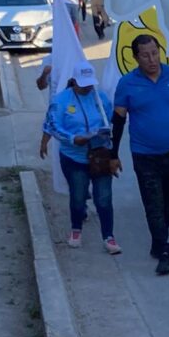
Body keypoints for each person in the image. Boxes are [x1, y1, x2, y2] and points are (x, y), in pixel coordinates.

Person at [111, 34, 169, 275]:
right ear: (136, 58)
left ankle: (158, 242)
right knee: (153, 204)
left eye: (155, 53)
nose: (152, 60)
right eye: (145, 56)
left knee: (168, 204)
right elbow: (118, 120)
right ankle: (165, 251)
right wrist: (113, 154)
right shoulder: (127, 83)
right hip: (144, 154)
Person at [49, 62, 121, 254]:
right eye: (83, 83)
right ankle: (76, 228)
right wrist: (73, 138)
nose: (87, 87)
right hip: (74, 157)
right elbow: (53, 125)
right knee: (78, 196)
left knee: (104, 197)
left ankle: (108, 236)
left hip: (100, 155)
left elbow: (112, 121)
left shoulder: (100, 98)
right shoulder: (61, 100)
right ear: (73, 81)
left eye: (89, 83)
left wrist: (110, 145)